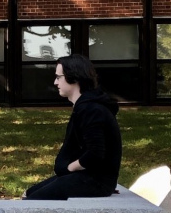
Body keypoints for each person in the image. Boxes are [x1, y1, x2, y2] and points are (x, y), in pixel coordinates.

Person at [24, 54, 122, 200]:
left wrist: (69, 168)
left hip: (96, 181)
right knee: (29, 194)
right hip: (86, 176)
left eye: (59, 77)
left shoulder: (91, 109)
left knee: (34, 200)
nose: (55, 82)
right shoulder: (86, 106)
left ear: (74, 78)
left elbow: (95, 153)